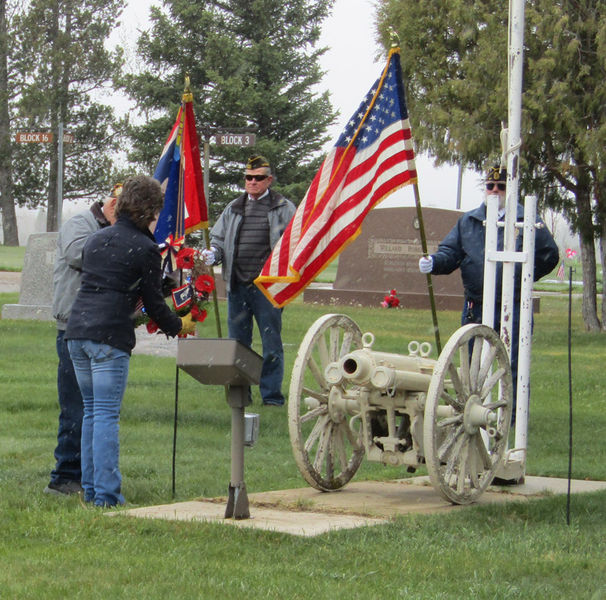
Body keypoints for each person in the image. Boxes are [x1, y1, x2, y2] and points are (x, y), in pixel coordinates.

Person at [64, 175, 196, 507]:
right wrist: (179, 324)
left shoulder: (96, 239)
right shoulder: (145, 248)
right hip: (109, 337)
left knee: (92, 413)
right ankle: (107, 497)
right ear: (151, 210)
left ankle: (92, 491)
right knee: (106, 414)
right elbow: (152, 302)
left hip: (77, 332)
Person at [418, 165, 559, 414]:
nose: (495, 191)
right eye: (490, 186)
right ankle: (470, 413)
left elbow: (549, 254)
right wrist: (435, 262)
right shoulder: (469, 221)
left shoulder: (526, 220)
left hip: (512, 306)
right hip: (476, 305)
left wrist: (521, 276)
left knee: (511, 364)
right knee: (472, 363)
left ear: (510, 188)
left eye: (501, 186)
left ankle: (508, 417)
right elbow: (451, 253)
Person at [44, 184, 121, 497]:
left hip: (102, 328)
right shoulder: (80, 224)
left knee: (96, 409)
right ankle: (64, 477)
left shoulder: (113, 231)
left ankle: (88, 477)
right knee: (76, 407)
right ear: (113, 204)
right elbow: (78, 254)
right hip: (73, 328)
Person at [201, 156, 296, 406]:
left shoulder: (284, 208)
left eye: (258, 178)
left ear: (269, 180)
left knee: (271, 344)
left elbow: (295, 243)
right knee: (238, 345)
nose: (252, 182)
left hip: (268, 288)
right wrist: (214, 253)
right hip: (237, 286)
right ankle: (241, 394)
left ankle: (272, 397)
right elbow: (217, 239)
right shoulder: (234, 207)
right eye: (248, 178)